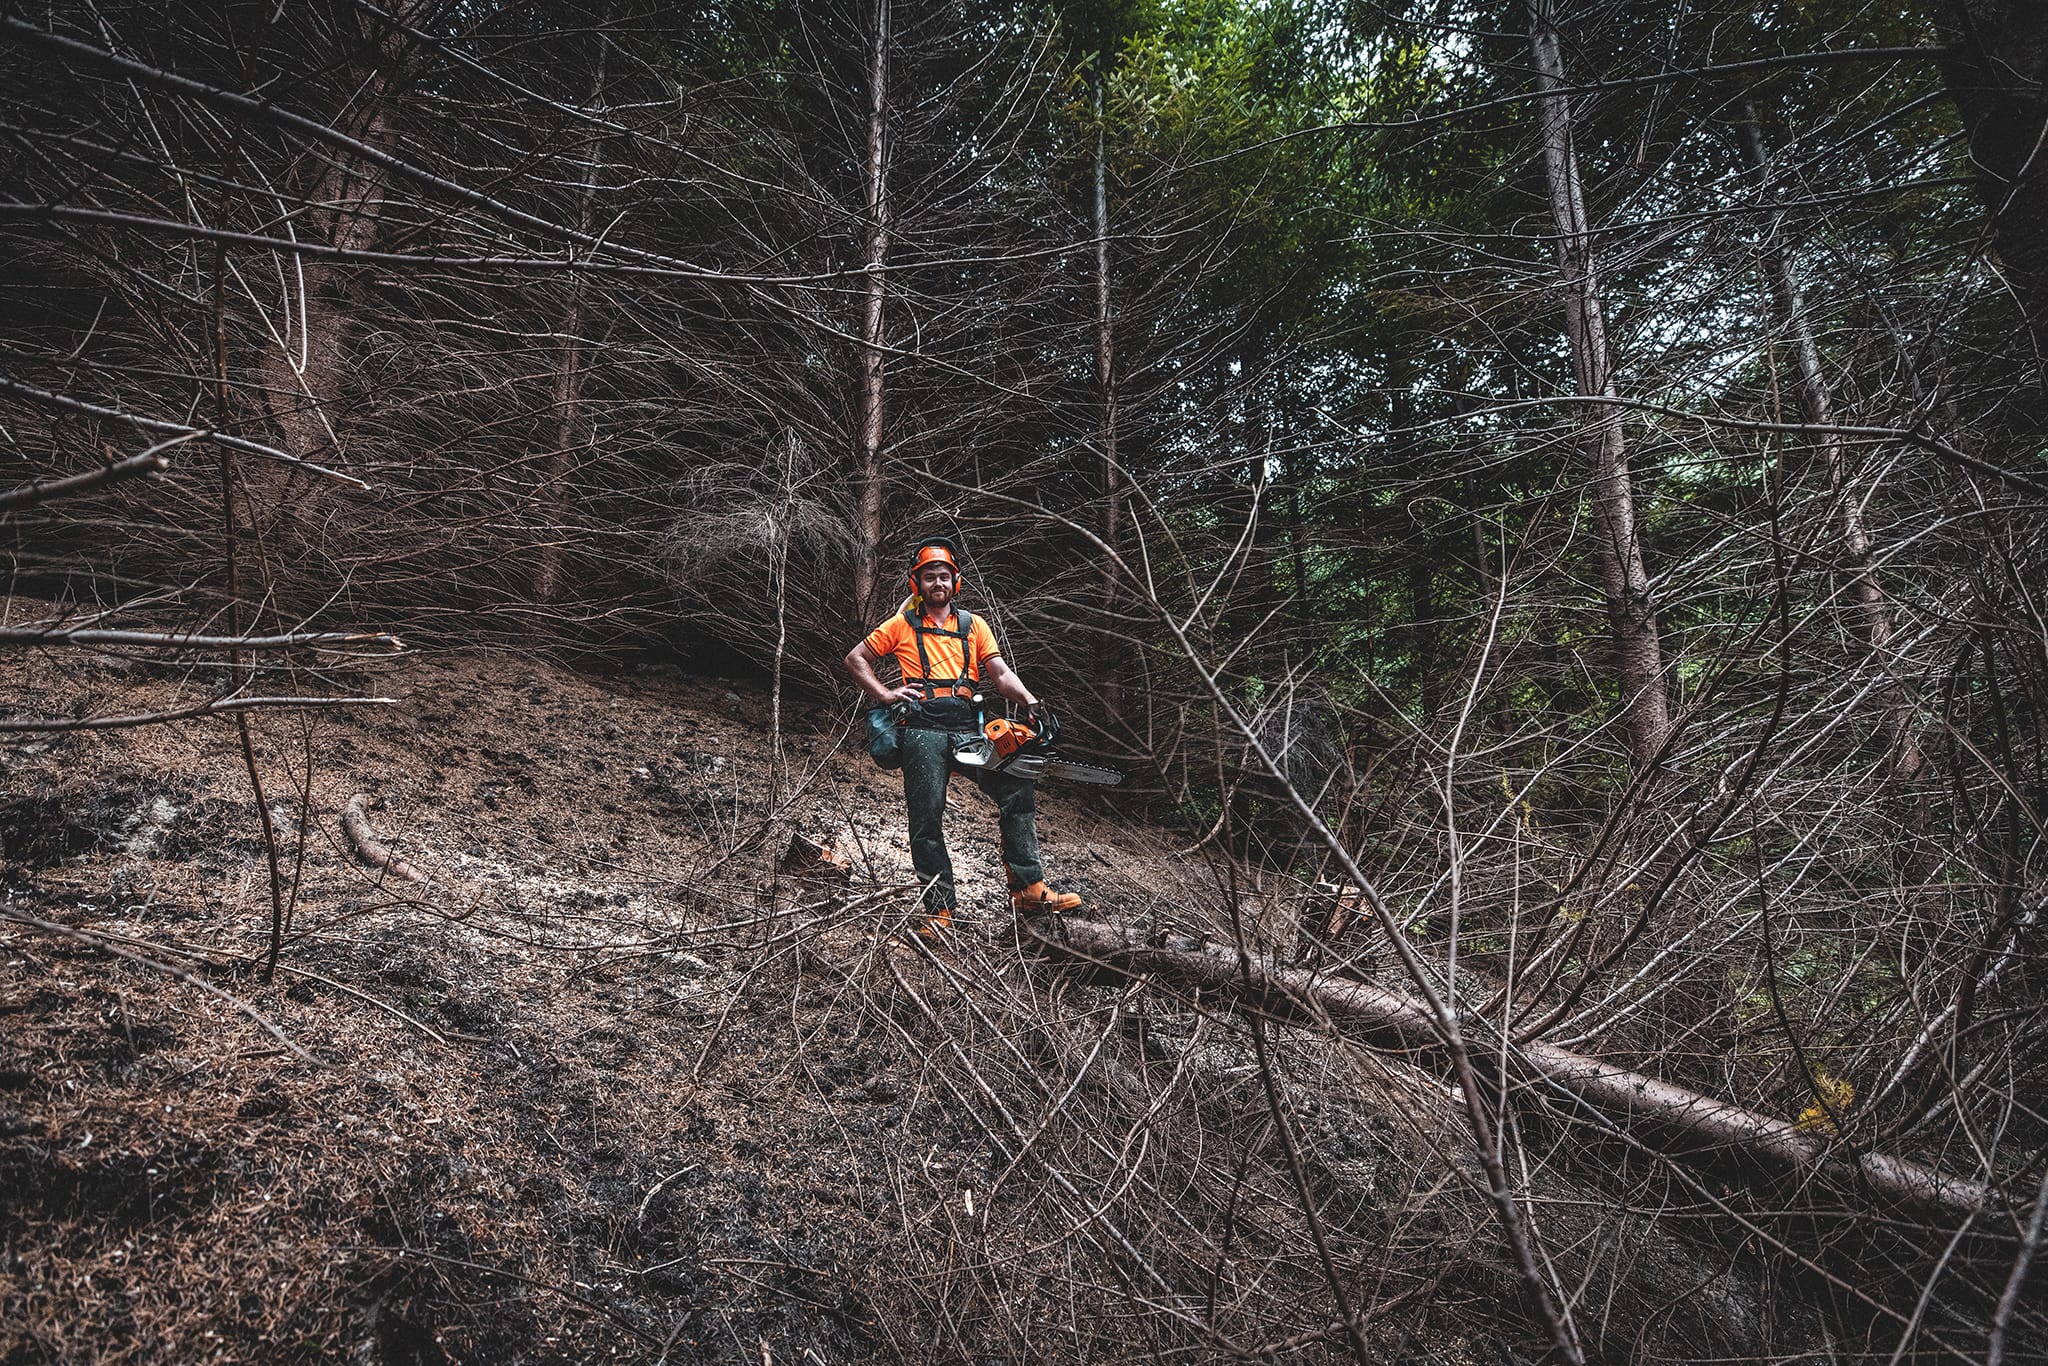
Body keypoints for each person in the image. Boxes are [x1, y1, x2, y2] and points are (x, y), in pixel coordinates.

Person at [844, 538, 1084, 932]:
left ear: (955, 581)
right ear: (916, 583)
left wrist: (1030, 701)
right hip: (921, 730)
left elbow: (1000, 673)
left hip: (967, 729)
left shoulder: (974, 625)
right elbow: (856, 658)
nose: (937, 583)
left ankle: (1028, 887)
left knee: (1015, 787)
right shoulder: (902, 624)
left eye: (943, 576)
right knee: (926, 818)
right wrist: (886, 694)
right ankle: (939, 911)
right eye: (928, 577)